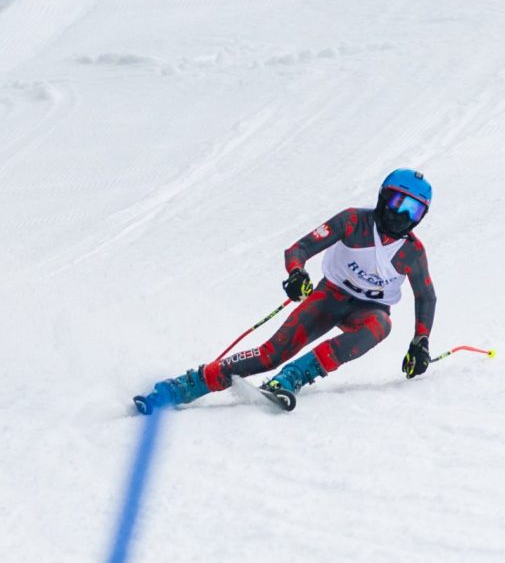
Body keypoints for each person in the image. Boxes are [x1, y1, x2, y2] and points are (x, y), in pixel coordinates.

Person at [137, 168, 437, 413]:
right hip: (329, 298)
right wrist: (296, 272)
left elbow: (426, 296)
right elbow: (300, 248)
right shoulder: (353, 222)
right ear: (382, 197)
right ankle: (183, 387)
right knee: (270, 354)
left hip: (367, 311)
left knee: (380, 324)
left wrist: (420, 341)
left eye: (412, 209)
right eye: (397, 202)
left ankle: (291, 378)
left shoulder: (412, 252)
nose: (401, 214)